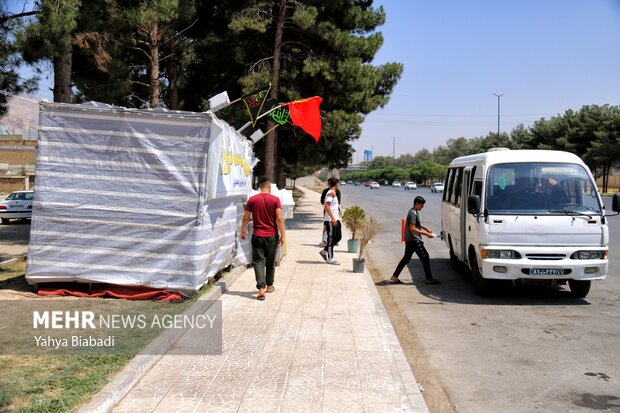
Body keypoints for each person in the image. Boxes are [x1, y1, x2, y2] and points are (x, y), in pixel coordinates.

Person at [240, 176, 286, 300]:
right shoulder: (275, 200)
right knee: (270, 261)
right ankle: (270, 286)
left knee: (258, 261)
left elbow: (246, 217)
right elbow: (279, 219)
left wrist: (242, 230)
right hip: (271, 236)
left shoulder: (253, 200)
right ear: (268, 186)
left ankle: (261, 288)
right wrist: (283, 235)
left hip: (257, 235)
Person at [389, 196, 441, 285]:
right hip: (414, 240)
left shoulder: (414, 211)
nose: (422, 207)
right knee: (425, 257)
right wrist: (426, 234)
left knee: (406, 258)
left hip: (410, 240)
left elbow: (418, 224)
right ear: (417, 204)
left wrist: (427, 229)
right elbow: (412, 228)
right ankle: (429, 279)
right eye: (421, 205)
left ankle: (394, 277)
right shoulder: (412, 213)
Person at [320, 178, 342, 265]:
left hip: (336, 219)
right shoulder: (330, 193)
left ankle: (324, 251)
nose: (339, 184)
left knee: (338, 237)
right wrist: (332, 218)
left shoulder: (334, 193)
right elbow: (327, 206)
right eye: (338, 183)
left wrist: (336, 218)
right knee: (331, 238)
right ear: (336, 184)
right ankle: (330, 258)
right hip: (330, 220)